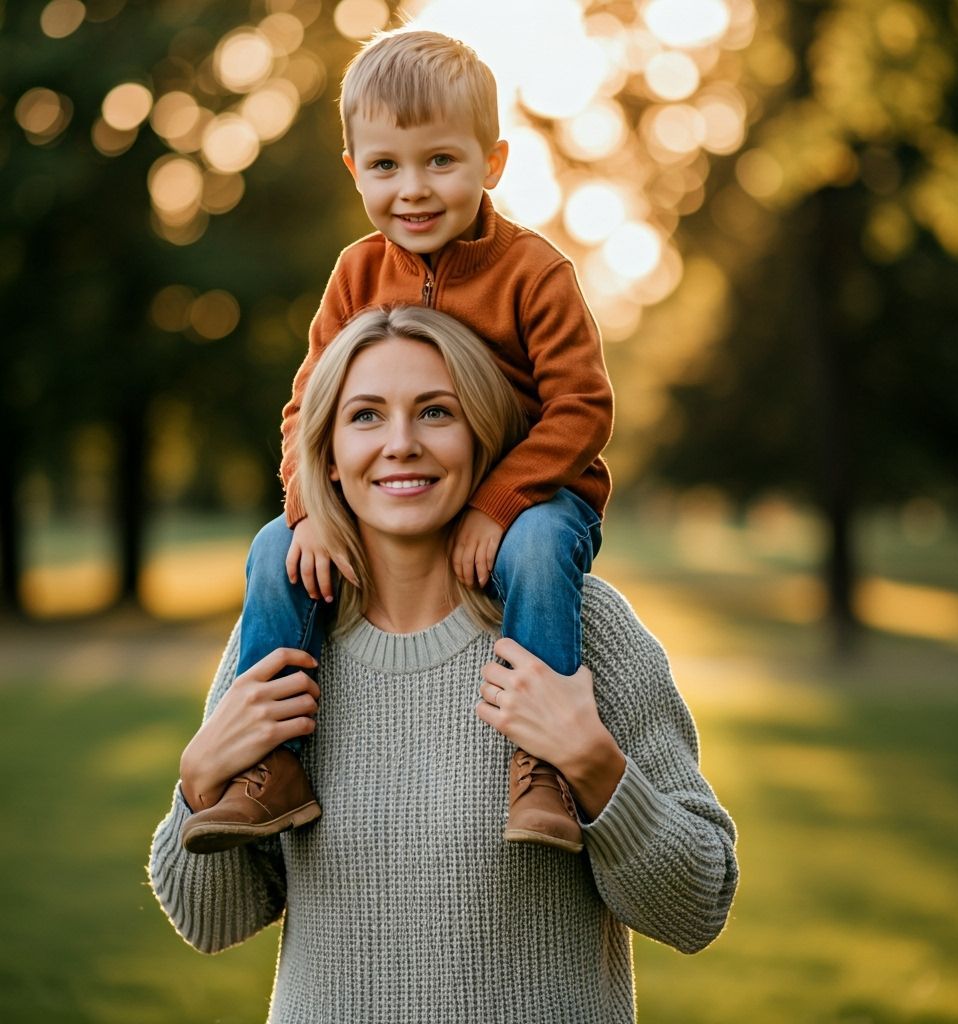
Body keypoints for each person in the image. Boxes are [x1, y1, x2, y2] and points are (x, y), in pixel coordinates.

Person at [148, 306, 738, 1024]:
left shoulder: (585, 630)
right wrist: (198, 781)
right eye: (366, 416)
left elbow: (699, 908)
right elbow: (214, 925)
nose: (401, 444)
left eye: (435, 412)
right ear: (328, 455)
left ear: (484, 439)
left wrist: (594, 766)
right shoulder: (280, 637)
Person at [182, 28, 614, 854]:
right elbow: (307, 408)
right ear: (354, 168)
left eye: (440, 162)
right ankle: (269, 765)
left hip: (539, 498)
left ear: (493, 162)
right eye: (386, 166)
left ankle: (543, 769)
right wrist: (309, 510)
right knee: (277, 549)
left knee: (532, 553)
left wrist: (499, 502)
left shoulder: (533, 273)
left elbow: (581, 407)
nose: (412, 191)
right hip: (398, 513)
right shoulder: (357, 273)